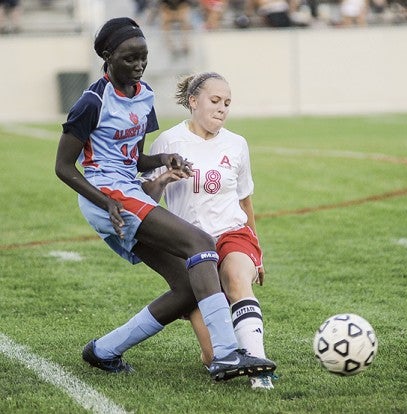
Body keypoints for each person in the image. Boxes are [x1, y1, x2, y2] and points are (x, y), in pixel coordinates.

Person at [54, 17, 276, 382]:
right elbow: (63, 167)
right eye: (129, 58)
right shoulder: (92, 101)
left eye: (143, 57)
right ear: (107, 57)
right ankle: (226, 353)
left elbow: (135, 158)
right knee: (200, 244)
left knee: (188, 287)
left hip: (126, 191)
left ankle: (103, 351)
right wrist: (105, 202)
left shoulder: (143, 96)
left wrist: (163, 160)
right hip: (107, 194)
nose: (138, 65)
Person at [142, 72, 276, 389]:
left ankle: (260, 371)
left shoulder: (237, 144)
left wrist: (256, 250)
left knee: (237, 279)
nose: (222, 108)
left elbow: (245, 201)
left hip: (232, 234)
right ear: (193, 101)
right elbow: (144, 202)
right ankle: (229, 350)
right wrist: (165, 179)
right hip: (190, 246)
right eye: (215, 101)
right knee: (212, 357)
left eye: (227, 103)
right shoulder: (168, 143)